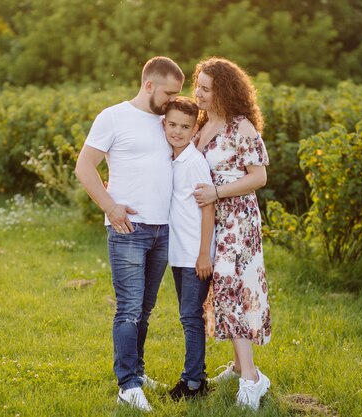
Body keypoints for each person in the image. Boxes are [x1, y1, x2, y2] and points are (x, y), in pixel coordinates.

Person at [74, 56, 184, 412]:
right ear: (149, 85)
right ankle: (128, 386)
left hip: (163, 230)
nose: (172, 99)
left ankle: (137, 370)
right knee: (128, 310)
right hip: (128, 229)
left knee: (146, 310)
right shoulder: (113, 117)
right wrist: (110, 206)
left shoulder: (168, 122)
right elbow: (84, 166)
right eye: (168, 92)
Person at [191, 57, 272, 411]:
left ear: (223, 91)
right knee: (221, 289)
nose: (198, 93)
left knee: (231, 287)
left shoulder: (242, 127)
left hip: (237, 218)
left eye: (206, 88)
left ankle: (252, 379)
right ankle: (239, 364)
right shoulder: (202, 124)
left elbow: (259, 177)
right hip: (210, 216)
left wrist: (217, 193)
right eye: (198, 85)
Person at [163, 97, 215, 401]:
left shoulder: (194, 162)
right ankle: (196, 376)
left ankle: (194, 382)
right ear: (164, 124)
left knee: (190, 317)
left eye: (185, 126)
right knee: (189, 315)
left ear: (195, 127)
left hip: (196, 255)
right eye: (172, 125)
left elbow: (208, 208)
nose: (178, 131)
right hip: (178, 254)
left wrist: (204, 253)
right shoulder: (171, 158)